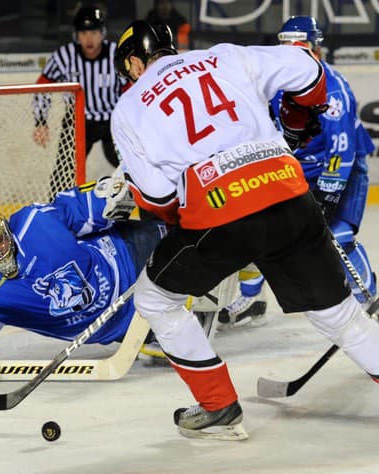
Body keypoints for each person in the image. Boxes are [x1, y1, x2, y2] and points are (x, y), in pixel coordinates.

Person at [111, 20, 379, 441]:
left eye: (127, 69)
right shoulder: (225, 55)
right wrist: (297, 112)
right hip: (289, 193)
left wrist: (188, 231)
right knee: (341, 317)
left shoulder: (128, 108)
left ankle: (218, 406)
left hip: (221, 212)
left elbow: (160, 198)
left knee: (155, 298)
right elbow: (309, 70)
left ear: (133, 61)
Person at [0, 170, 167, 384]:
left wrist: (104, 198)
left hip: (129, 250)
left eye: (0, 239)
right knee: (195, 331)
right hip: (122, 324)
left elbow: (73, 209)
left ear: (6, 229)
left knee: (195, 249)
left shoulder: (34, 222)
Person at [219, 16, 377, 330]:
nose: (291, 52)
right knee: (258, 227)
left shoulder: (333, 89)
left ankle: (368, 296)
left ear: (315, 48)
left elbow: (341, 150)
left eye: (299, 45)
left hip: (344, 167)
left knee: (338, 236)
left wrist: (328, 195)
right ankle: (252, 298)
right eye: (286, 45)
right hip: (294, 168)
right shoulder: (272, 84)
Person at [33, 5, 129, 194]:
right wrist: (41, 121)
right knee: (63, 173)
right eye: (84, 33)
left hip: (114, 120)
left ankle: (149, 209)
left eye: (93, 32)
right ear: (76, 35)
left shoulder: (115, 54)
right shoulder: (64, 56)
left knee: (133, 165)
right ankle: (58, 210)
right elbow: (42, 87)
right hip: (78, 121)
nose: (89, 39)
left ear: (102, 33)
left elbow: (131, 88)